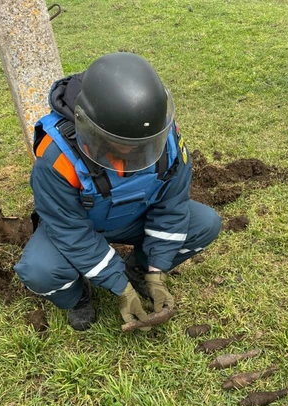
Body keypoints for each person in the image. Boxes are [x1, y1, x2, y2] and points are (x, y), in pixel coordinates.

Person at [14, 52, 221, 331]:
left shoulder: (166, 138)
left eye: (144, 146)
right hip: (80, 225)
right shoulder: (56, 158)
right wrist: (119, 286)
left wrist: (157, 271)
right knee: (39, 270)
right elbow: (71, 231)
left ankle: (139, 269)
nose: (137, 153)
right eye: (124, 145)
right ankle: (78, 296)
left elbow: (171, 208)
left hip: (135, 218)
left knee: (205, 223)